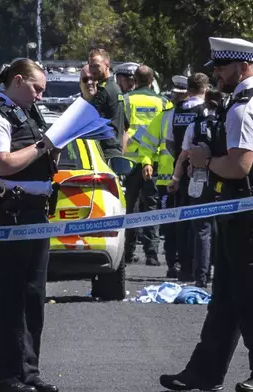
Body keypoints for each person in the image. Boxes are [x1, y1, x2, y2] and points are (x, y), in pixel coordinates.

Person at [160, 37, 253, 392]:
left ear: (242, 66)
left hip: (248, 212)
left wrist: (205, 161)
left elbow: (239, 165)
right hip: (240, 211)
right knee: (226, 298)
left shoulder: (245, 106)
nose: (215, 73)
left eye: (221, 66)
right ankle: (205, 372)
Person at [0, 58, 60, 392]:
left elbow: (45, 159)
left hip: (35, 213)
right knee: (7, 298)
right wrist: (43, 146)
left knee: (32, 296)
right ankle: (4, 376)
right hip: (7, 213)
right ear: (18, 80)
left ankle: (28, 373)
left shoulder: (32, 113)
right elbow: (4, 163)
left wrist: (56, 145)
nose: (40, 96)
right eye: (37, 88)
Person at [166, 74, 214, 286]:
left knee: (184, 221)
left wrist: (178, 170)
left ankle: (185, 267)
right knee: (206, 224)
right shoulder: (207, 112)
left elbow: (169, 142)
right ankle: (203, 270)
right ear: (206, 88)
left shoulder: (177, 110)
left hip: (183, 171)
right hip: (208, 173)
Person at [121, 64, 172, 266]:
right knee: (151, 206)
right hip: (154, 161)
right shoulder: (163, 102)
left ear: (135, 80)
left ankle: (127, 252)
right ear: (152, 81)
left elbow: (120, 129)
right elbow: (167, 132)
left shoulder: (126, 101)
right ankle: (152, 254)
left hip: (130, 162)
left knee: (130, 207)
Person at [88, 48, 126, 159]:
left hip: (105, 152)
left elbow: (86, 118)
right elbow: (125, 125)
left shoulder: (104, 90)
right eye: (90, 66)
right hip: (114, 151)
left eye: (96, 66)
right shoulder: (115, 87)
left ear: (107, 65)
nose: (92, 70)